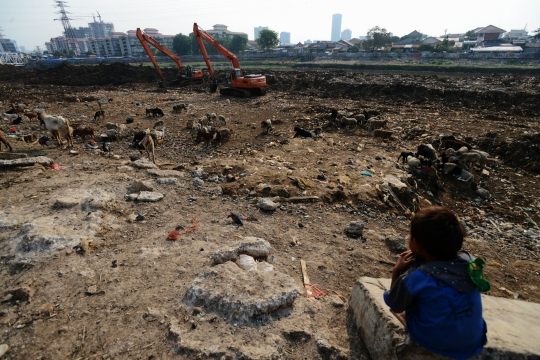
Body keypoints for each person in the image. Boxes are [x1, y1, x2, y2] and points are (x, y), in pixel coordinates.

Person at [384, 206, 490, 360]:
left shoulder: (417, 276)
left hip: (435, 343)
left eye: (411, 237)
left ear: (418, 245)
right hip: (473, 341)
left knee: (402, 309)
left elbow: (395, 304)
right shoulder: (471, 263)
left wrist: (396, 271)